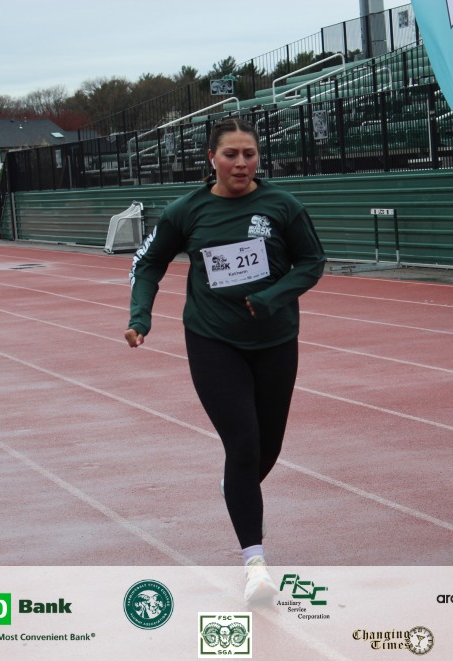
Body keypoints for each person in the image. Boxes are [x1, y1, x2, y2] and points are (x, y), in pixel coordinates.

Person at [124, 117, 327, 603]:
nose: (240, 163)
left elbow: (312, 262)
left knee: (267, 448)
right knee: (243, 444)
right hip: (213, 340)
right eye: (231, 154)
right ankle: (255, 565)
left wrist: (274, 297)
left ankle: (236, 485)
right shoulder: (186, 211)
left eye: (249, 154)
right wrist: (140, 316)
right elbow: (149, 263)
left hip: (276, 340)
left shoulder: (282, 206)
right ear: (211, 158)